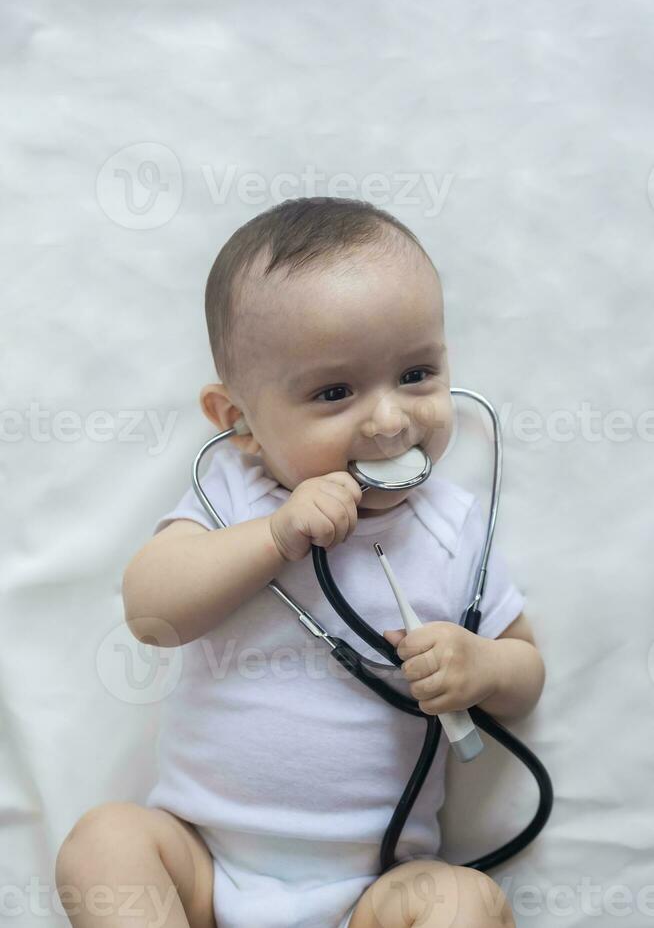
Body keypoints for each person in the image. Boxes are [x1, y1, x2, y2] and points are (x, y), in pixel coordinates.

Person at [55, 197, 546, 928]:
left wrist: (479, 666)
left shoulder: (448, 528)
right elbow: (150, 612)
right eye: (334, 392)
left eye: (416, 373)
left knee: (462, 903)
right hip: (203, 866)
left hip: (373, 889)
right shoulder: (232, 499)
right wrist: (275, 536)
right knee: (102, 844)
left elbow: (525, 670)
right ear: (239, 422)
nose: (389, 419)